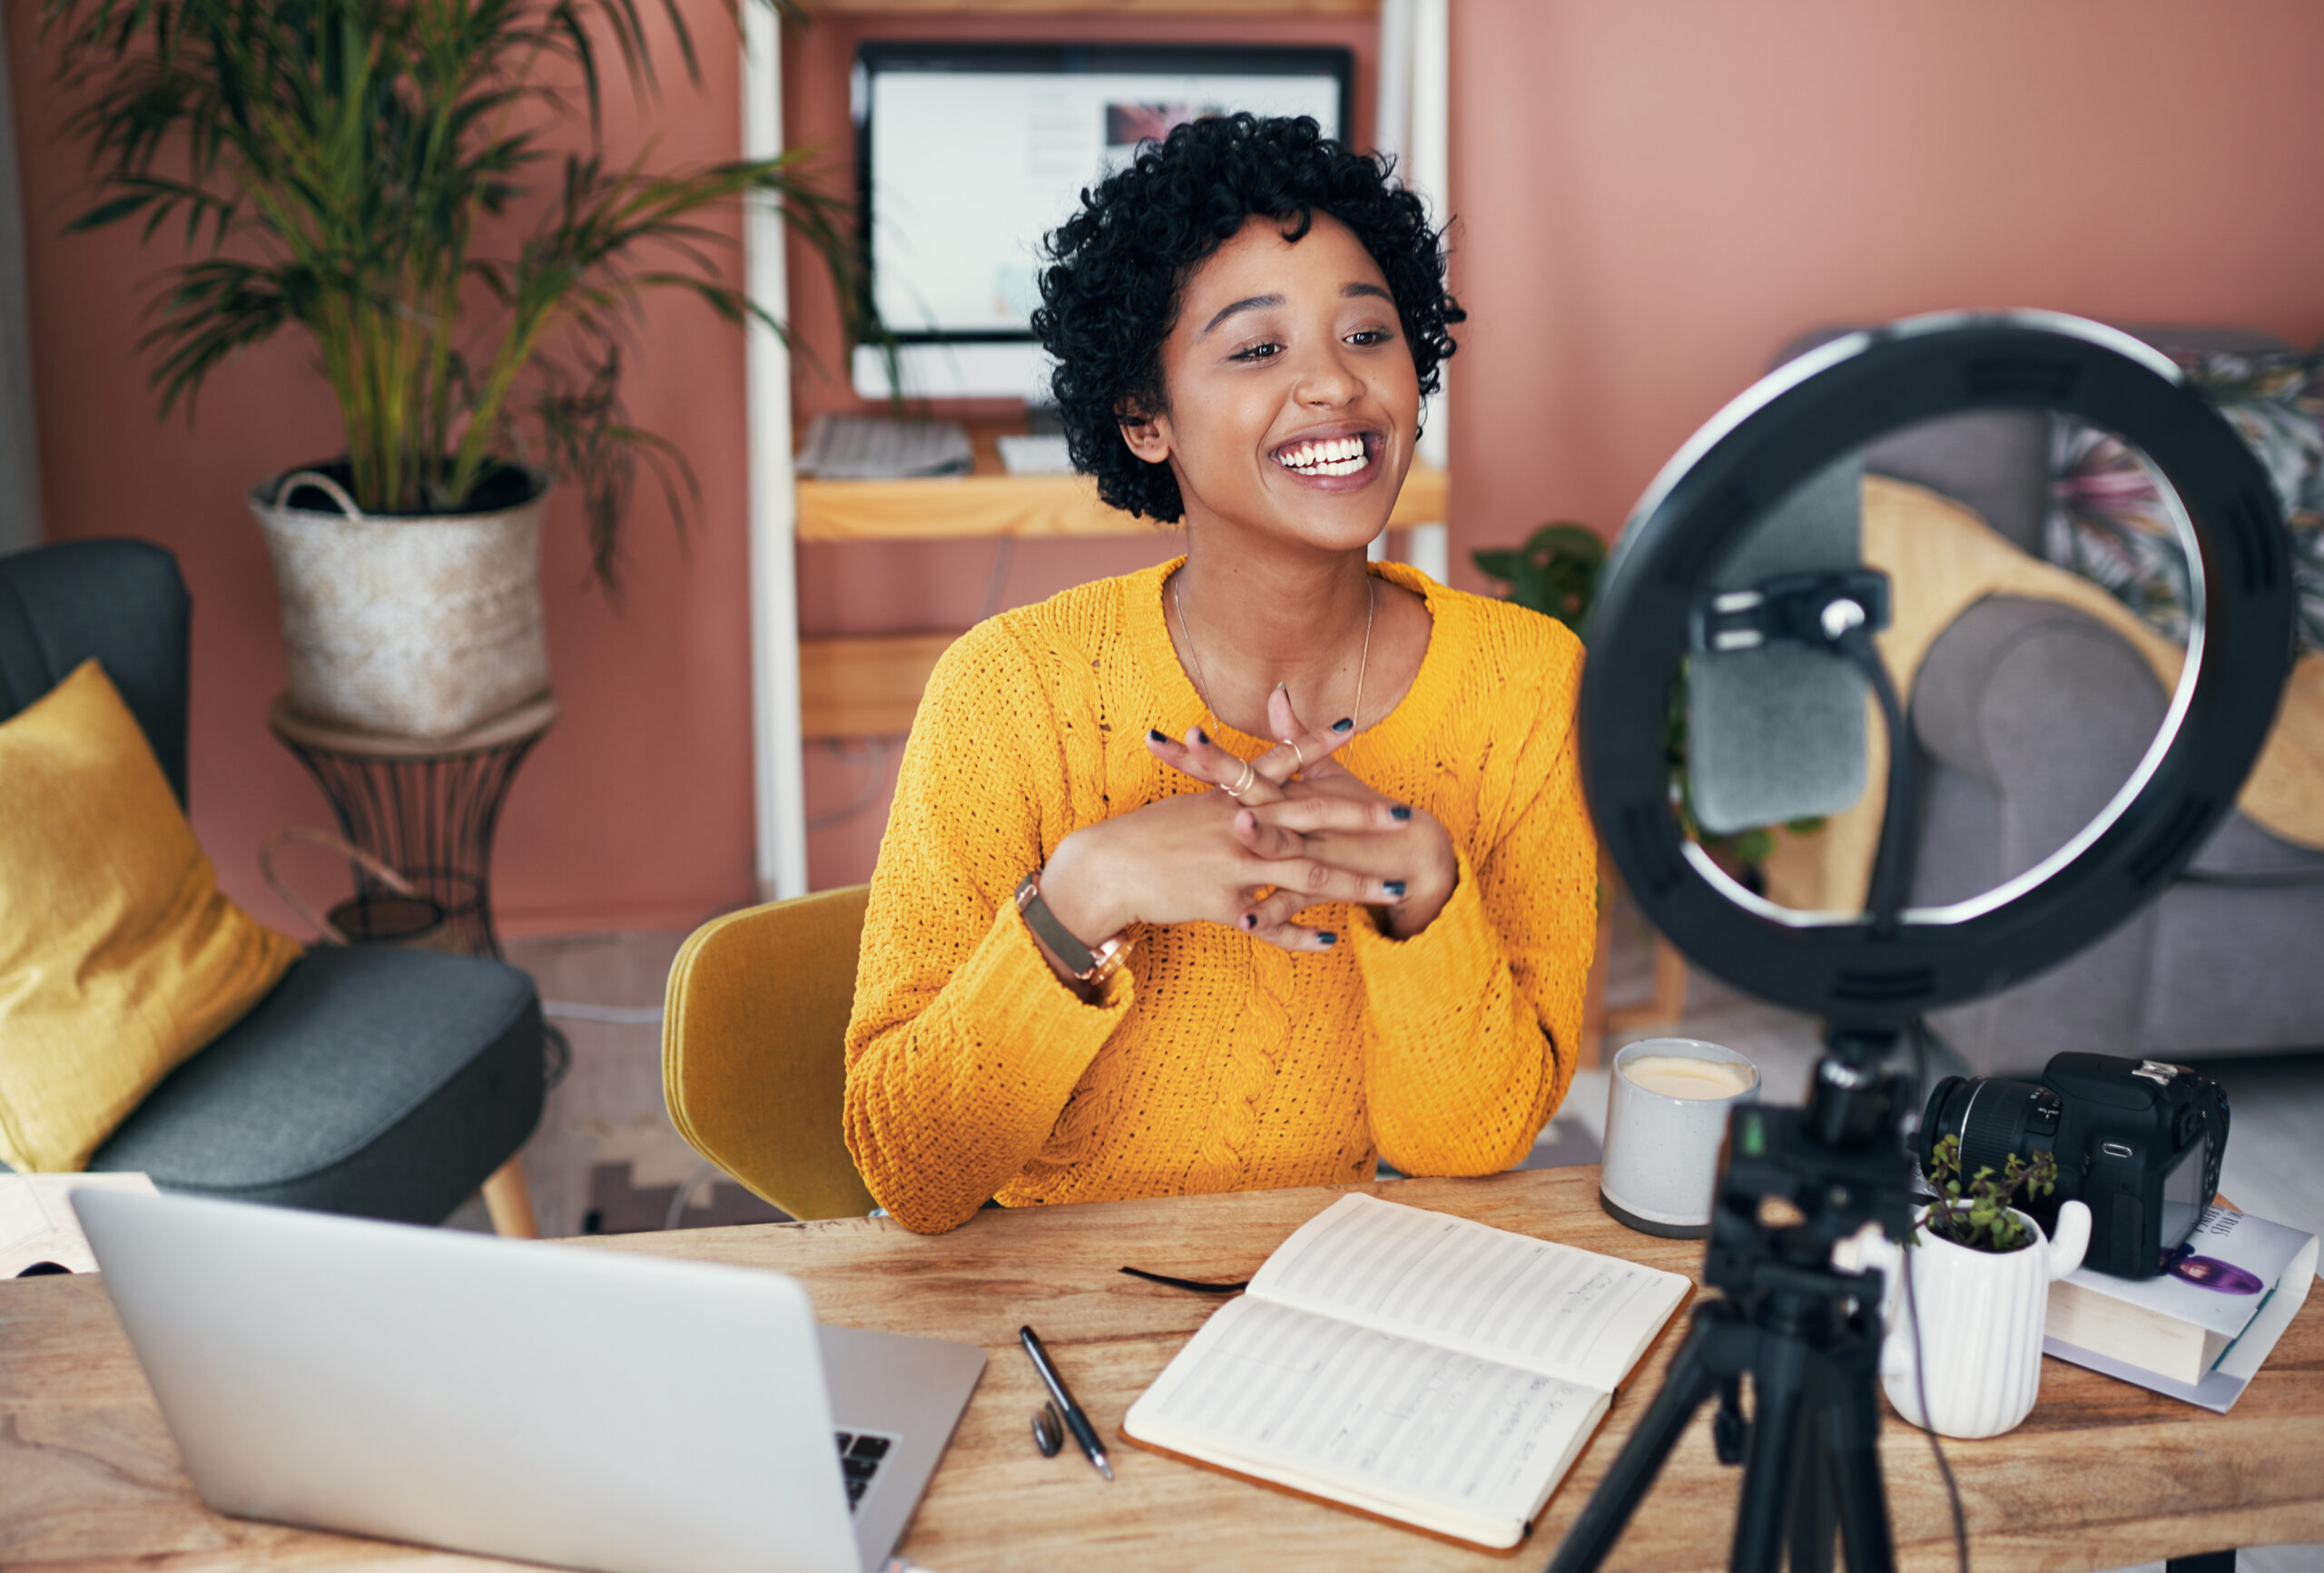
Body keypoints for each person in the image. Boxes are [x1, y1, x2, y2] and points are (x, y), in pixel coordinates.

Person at [842, 113, 1596, 1234]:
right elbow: (914, 1170)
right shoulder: (1006, 690)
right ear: (1144, 419)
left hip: (1333, 1298)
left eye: (1368, 335)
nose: (1334, 387)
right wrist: (1082, 896)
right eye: (1255, 350)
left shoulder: (1527, 682)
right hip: (1055, 1308)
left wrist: (1422, 897)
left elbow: (1466, 1147)